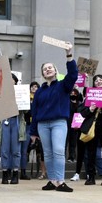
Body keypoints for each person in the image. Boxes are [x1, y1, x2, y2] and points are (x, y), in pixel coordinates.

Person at [30, 45, 78, 192]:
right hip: (42, 124)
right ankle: (52, 180)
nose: (48, 69)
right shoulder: (39, 91)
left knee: (58, 150)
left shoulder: (63, 85)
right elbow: (34, 111)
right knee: (48, 153)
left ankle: (60, 181)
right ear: (43, 74)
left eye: (50, 67)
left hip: (58, 122)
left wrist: (69, 55)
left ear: (56, 71)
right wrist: (33, 132)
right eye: (45, 69)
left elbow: (73, 74)